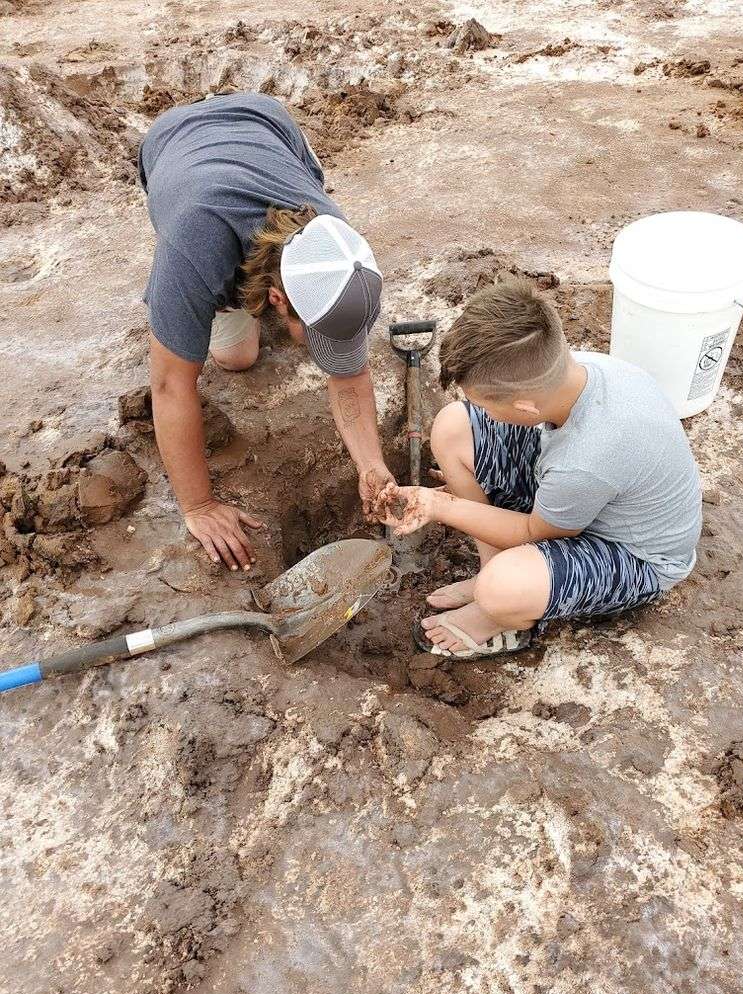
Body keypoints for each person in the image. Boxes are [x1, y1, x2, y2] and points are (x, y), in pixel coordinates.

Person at [379, 279, 702, 659]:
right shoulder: (581, 370)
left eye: (483, 405)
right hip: (589, 493)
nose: (482, 413)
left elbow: (534, 533)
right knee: (452, 426)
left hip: (635, 557)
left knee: (502, 587)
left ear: (525, 409)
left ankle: (503, 613)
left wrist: (438, 506)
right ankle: (489, 570)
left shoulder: (584, 460)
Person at [138, 92, 394, 571]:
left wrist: (371, 464)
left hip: (265, 119)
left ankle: (278, 311)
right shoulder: (194, 244)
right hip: (173, 144)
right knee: (235, 356)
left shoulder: (335, 243)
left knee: (250, 347)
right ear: (278, 298)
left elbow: (349, 375)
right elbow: (170, 385)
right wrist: (199, 505)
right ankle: (206, 307)